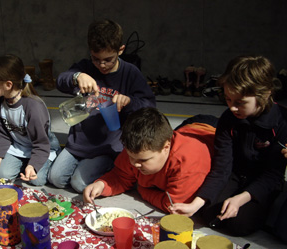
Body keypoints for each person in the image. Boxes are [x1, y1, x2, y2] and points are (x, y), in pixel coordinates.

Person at [171, 55, 287, 236]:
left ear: (265, 94)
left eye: (240, 103)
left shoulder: (281, 123)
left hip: (263, 179)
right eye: (228, 99)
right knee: (210, 214)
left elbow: (273, 175)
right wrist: (195, 204)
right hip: (236, 173)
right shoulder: (229, 119)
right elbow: (222, 167)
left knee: (240, 224)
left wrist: (240, 199)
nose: (232, 108)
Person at [48, 19, 156, 193]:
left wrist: (129, 102)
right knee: (55, 178)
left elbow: (150, 105)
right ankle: (87, 166)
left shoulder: (130, 73)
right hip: (79, 142)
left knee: (79, 184)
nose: (102, 65)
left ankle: (111, 166)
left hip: (107, 147)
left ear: (121, 50)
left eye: (108, 59)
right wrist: (77, 76)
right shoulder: (85, 67)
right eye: (96, 59)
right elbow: (61, 80)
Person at [83, 107, 215, 212]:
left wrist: (142, 190)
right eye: (130, 157)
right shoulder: (139, 148)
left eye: (143, 161)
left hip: (212, 130)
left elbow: (175, 206)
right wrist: (101, 184)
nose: (134, 164)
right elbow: (121, 176)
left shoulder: (187, 163)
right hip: (188, 128)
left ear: (166, 147)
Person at [0, 54, 60, 186]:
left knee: (37, 180)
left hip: (42, 148)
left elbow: (41, 143)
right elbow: (0, 134)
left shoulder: (33, 106)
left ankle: (41, 162)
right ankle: (25, 163)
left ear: (8, 85)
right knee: (3, 174)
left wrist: (33, 165)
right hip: (19, 147)